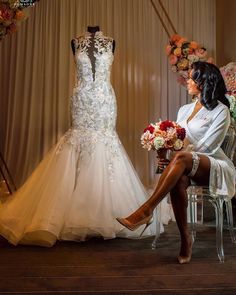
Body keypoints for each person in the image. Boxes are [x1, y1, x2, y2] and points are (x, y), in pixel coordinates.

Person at [0, 26, 157, 246]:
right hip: (82, 98)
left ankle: (106, 212)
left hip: (105, 101)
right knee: (78, 141)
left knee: (105, 140)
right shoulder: (75, 41)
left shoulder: (111, 41)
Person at [117, 61, 236, 264]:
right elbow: (177, 141)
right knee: (178, 178)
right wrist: (166, 153)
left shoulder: (220, 111)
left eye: (191, 77)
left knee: (181, 160)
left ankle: (146, 210)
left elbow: (209, 147)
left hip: (215, 165)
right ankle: (185, 240)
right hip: (187, 163)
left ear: (203, 82)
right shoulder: (184, 109)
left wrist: (179, 155)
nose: (187, 81)